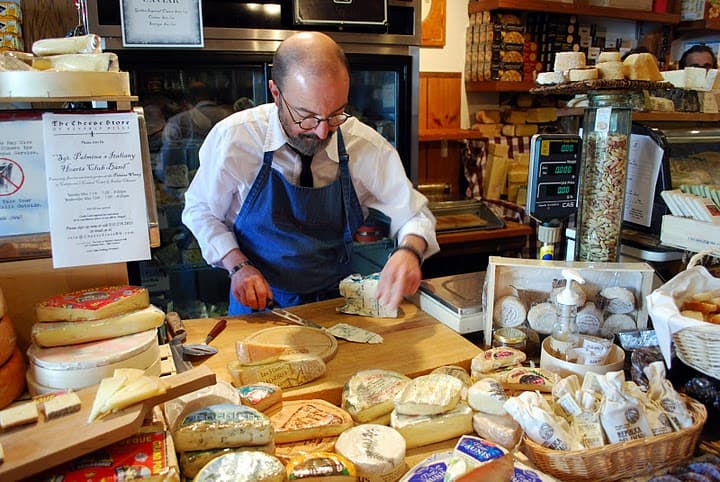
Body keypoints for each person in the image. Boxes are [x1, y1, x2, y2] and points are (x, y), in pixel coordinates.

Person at [182, 32, 438, 315]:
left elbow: (414, 214)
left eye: (336, 114)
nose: (321, 130)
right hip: (257, 301)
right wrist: (237, 265)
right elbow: (200, 210)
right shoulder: (235, 139)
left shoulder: (364, 146)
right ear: (276, 93)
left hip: (334, 302)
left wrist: (409, 251)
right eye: (306, 116)